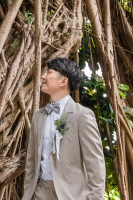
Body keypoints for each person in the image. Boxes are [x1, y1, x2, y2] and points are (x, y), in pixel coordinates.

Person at [21, 57, 106, 200]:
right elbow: (31, 161)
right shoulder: (38, 116)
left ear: (63, 81)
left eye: (49, 72)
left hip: (71, 194)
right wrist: (28, 193)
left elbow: (95, 163)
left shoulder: (82, 115)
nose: (43, 76)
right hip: (39, 193)